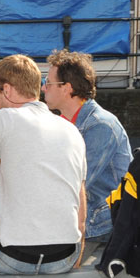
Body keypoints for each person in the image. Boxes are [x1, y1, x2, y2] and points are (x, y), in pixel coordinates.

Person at [0, 54, 86, 275]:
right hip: (65, 255)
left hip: (13, 256)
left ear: (8, 91)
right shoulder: (71, 128)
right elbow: (80, 203)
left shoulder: (2, 120)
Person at [43, 49, 131, 243]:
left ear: (66, 88)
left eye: (48, 83)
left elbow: (74, 183)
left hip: (100, 224)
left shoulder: (100, 126)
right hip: (78, 217)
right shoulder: (62, 122)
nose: (43, 88)